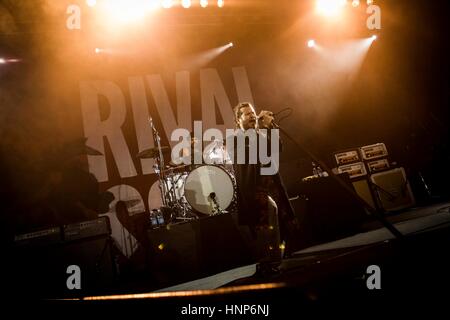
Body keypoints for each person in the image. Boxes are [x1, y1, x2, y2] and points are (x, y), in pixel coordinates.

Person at [230, 102, 299, 265]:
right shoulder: (235, 138)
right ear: (238, 120)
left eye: (253, 113)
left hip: (271, 186)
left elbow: (277, 148)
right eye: (247, 114)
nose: (252, 116)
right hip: (254, 190)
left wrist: (270, 128)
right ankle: (271, 261)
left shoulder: (259, 134)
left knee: (282, 219)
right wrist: (265, 128)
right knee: (267, 216)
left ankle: (278, 258)